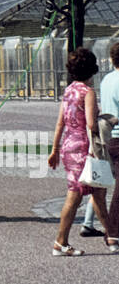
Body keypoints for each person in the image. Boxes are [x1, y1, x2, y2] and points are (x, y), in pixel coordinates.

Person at [48, 46, 119, 257]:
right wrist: (105, 122)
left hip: (70, 146)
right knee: (76, 195)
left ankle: (112, 236)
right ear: (92, 69)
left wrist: (54, 149)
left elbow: (60, 122)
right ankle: (61, 242)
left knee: (97, 193)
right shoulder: (87, 93)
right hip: (84, 148)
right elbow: (91, 124)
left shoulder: (69, 90)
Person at [80, 42, 119, 237]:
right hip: (118, 134)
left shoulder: (106, 80)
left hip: (107, 135)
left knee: (102, 181)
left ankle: (88, 221)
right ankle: (113, 229)